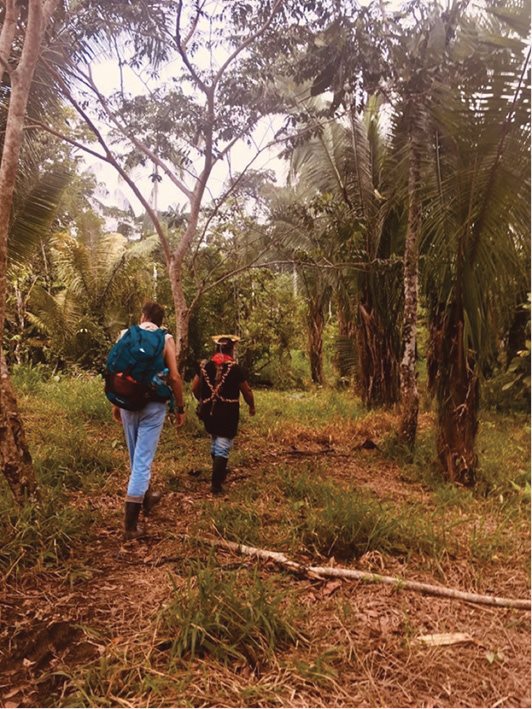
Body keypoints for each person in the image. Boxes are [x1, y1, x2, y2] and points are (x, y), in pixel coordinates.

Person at [111, 302, 185, 540]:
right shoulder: (166, 338)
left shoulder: (126, 335)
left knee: (136, 456)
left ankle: (147, 497)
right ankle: (130, 526)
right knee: (142, 461)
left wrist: (116, 403)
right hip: (153, 406)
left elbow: (119, 373)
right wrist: (180, 408)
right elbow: (174, 377)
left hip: (127, 402)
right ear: (161, 320)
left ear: (142, 316)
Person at [191, 335, 255, 494]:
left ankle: (218, 473)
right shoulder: (235, 369)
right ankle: (216, 484)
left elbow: (194, 388)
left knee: (215, 440)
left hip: (208, 413)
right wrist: (251, 405)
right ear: (232, 350)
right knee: (223, 445)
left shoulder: (205, 366)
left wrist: (204, 400)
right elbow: (246, 391)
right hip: (228, 414)